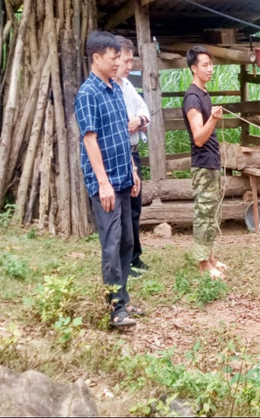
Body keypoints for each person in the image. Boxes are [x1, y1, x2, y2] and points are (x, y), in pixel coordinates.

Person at [75, 30, 145, 328]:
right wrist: (103, 183)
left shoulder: (116, 89)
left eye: (119, 57)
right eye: (113, 57)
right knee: (112, 242)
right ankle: (115, 307)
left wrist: (132, 169)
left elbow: (121, 134)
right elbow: (90, 140)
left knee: (127, 240)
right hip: (106, 183)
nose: (118, 62)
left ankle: (123, 298)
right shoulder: (88, 94)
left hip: (124, 176)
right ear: (96, 57)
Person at [182, 45, 227, 279]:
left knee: (210, 213)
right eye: (205, 65)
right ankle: (203, 265)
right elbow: (199, 138)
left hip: (211, 162)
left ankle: (209, 258)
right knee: (203, 213)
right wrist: (213, 119)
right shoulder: (192, 98)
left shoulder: (204, 93)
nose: (210, 69)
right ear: (194, 68)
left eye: (211, 64)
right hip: (202, 163)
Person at [113, 36, 150, 279]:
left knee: (134, 208)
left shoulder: (127, 86)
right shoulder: (108, 89)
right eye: (126, 61)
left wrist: (139, 120)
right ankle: (123, 262)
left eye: (131, 61)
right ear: (114, 59)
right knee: (121, 212)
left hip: (134, 155)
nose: (130, 66)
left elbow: (144, 111)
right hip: (119, 156)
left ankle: (134, 256)